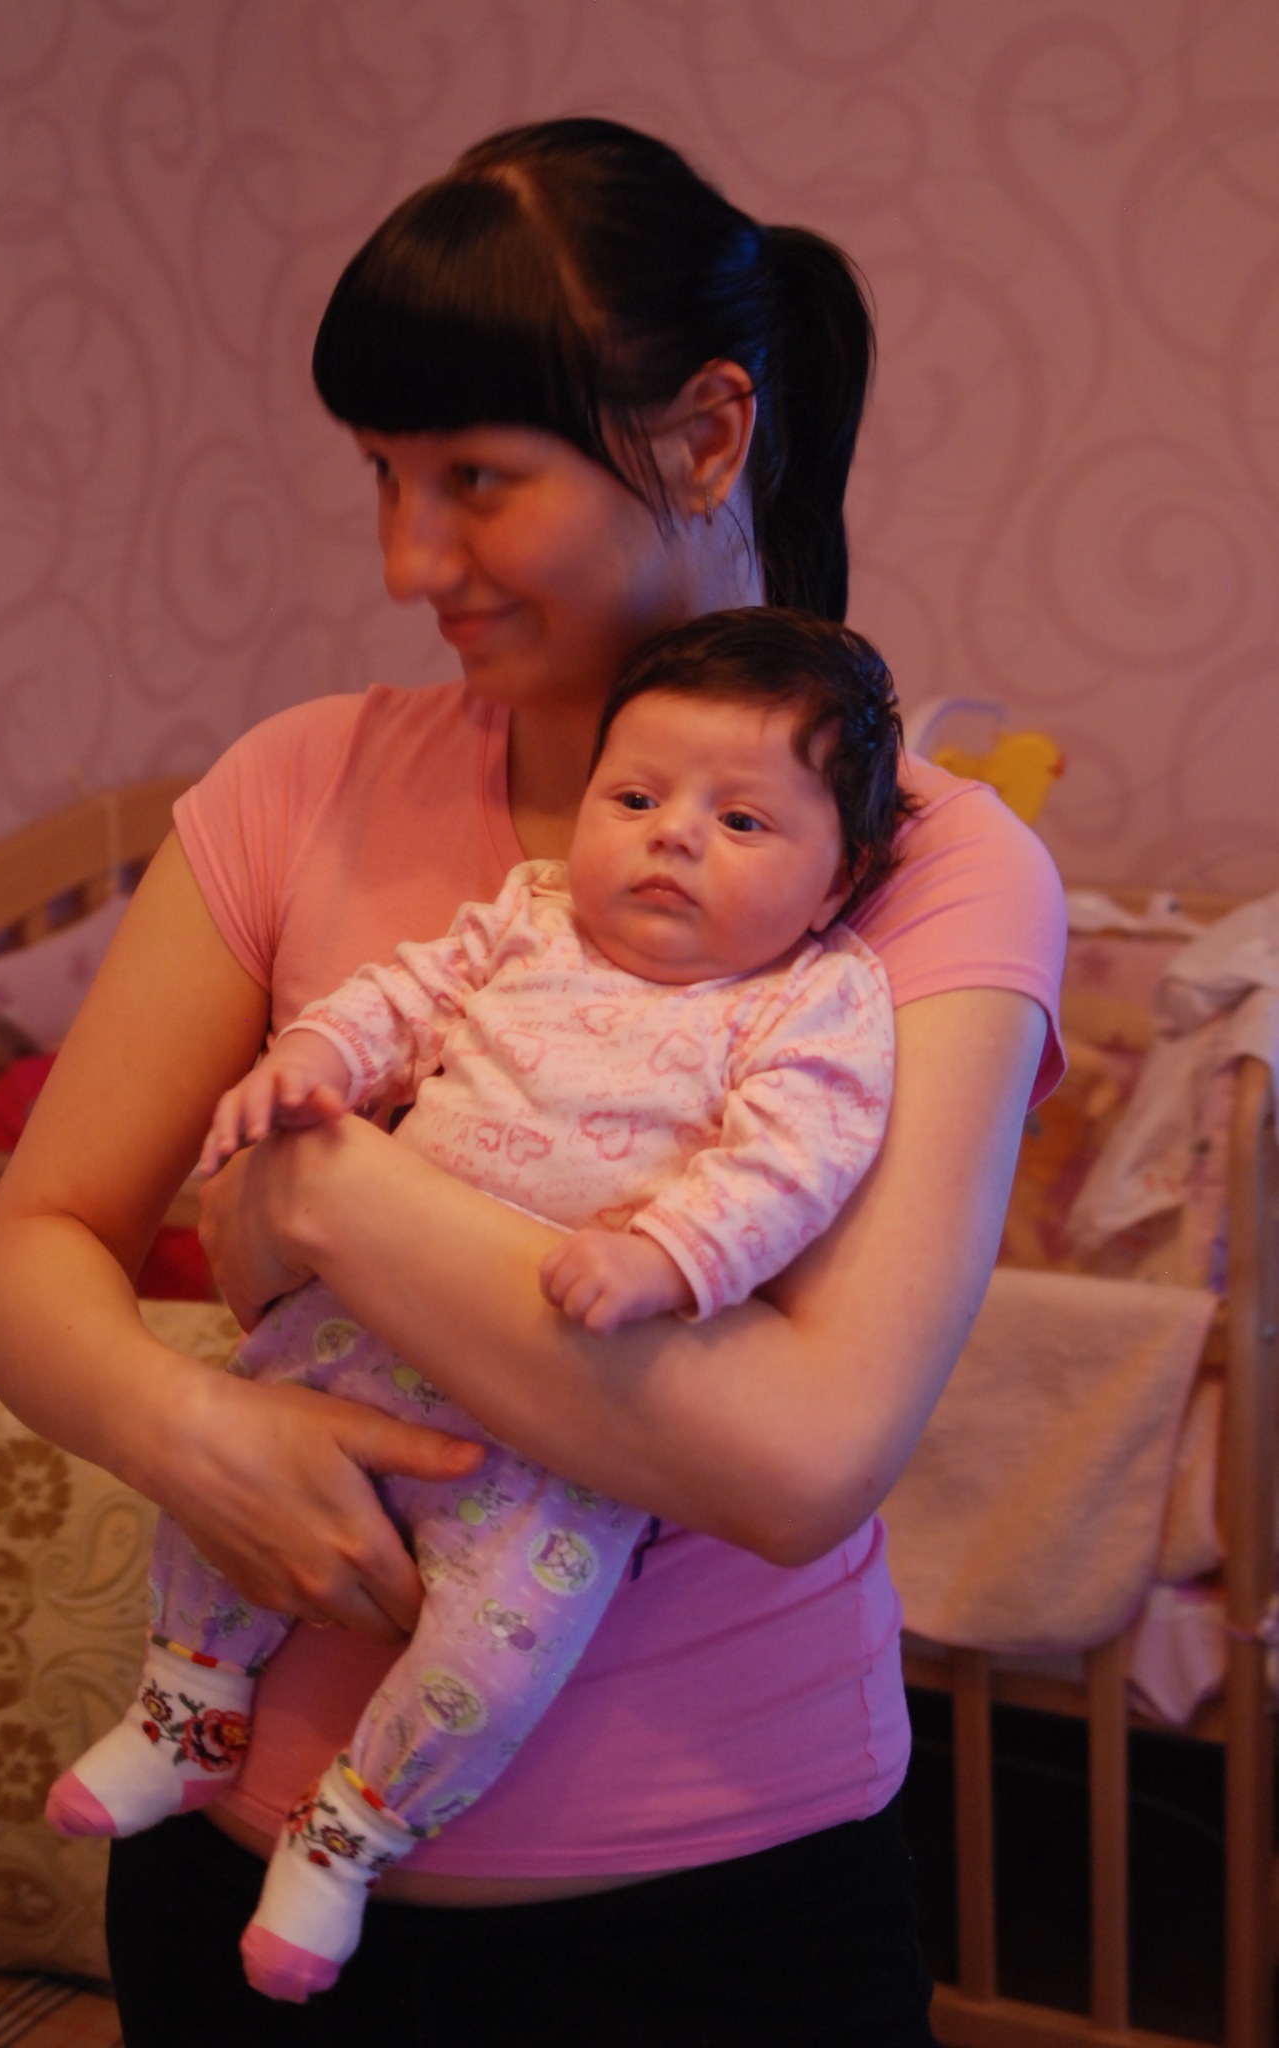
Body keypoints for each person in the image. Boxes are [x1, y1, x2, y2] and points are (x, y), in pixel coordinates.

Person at [0, 117, 1066, 2047]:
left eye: (473, 478)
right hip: (226, 1894)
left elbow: (802, 1459)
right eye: (382, 479)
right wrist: (184, 1425)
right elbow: (26, 1253)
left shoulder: (924, 865)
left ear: (708, 435)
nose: (410, 561)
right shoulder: (296, 780)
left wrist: (330, 1199)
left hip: (716, 1920)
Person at [45, 609, 904, 2005]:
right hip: (370, 1329)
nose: (674, 839)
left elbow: (800, 1159)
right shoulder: (530, 917)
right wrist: (312, 1061)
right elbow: (399, 998)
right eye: (636, 800)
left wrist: (672, 1255)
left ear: (838, 880)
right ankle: (190, 1700)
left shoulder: (811, 1000)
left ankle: (350, 1833)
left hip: (568, 1415)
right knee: (228, 1463)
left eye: (742, 822)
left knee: (500, 1645)